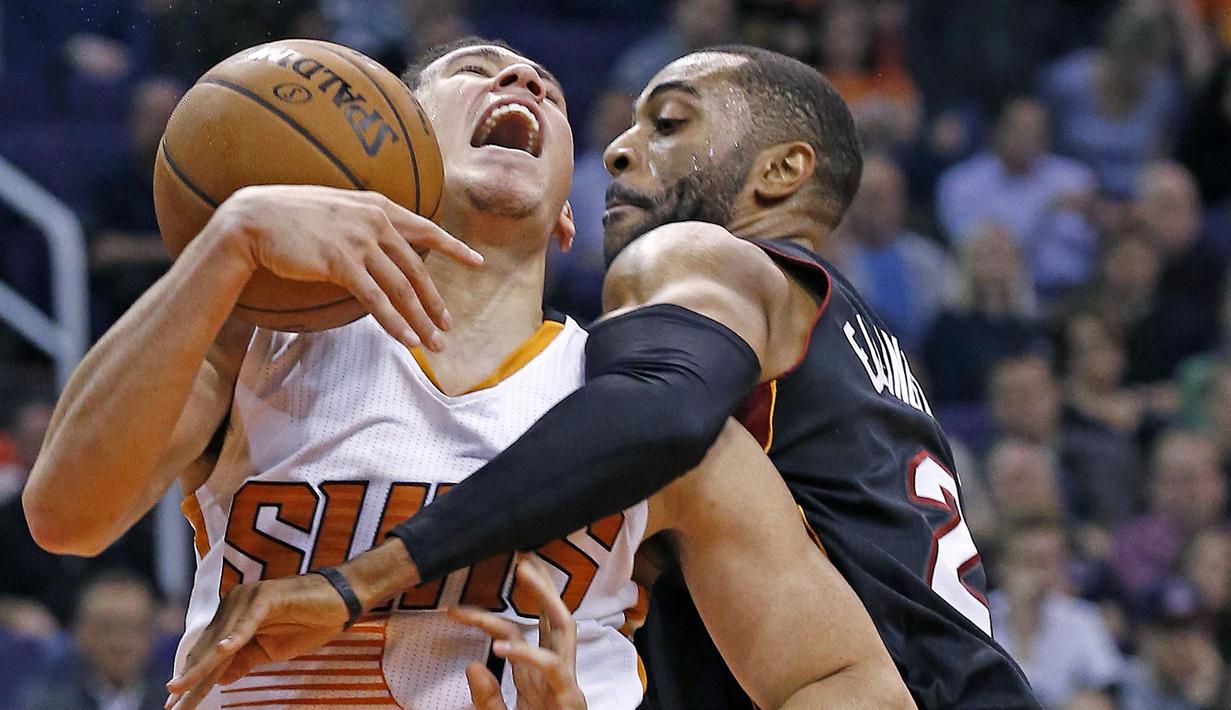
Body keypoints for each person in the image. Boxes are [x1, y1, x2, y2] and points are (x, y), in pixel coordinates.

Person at [26, 39, 909, 710]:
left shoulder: (634, 415)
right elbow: (65, 517)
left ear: (567, 214)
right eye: (474, 71)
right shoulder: (255, 348)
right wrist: (230, 238)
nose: (520, 82)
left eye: (548, 92)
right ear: (385, 142)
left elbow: (843, 680)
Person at [19, 571, 166, 710]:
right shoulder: (48, 702)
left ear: (153, 634)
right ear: (80, 632)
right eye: (107, 628)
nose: (120, 643)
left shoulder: (176, 698)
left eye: (133, 629)